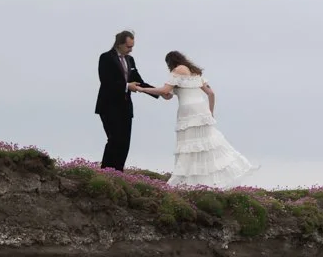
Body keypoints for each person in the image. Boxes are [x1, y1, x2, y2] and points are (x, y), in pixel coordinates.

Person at [134, 51, 257, 188]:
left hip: (187, 113)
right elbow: (210, 93)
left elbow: (165, 91)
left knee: (189, 148)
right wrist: (210, 112)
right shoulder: (195, 73)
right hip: (202, 110)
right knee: (206, 146)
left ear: (170, 63)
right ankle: (208, 183)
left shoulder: (176, 71)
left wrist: (142, 89)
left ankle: (189, 183)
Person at [94, 30, 164, 171]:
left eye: (132, 47)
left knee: (125, 142)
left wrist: (160, 92)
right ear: (119, 44)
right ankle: (106, 172)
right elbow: (106, 81)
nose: (131, 50)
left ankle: (118, 173)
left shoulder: (130, 60)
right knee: (114, 139)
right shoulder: (106, 57)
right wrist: (127, 86)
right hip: (109, 106)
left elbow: (138, 81)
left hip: (125, 107)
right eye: (128, 47)